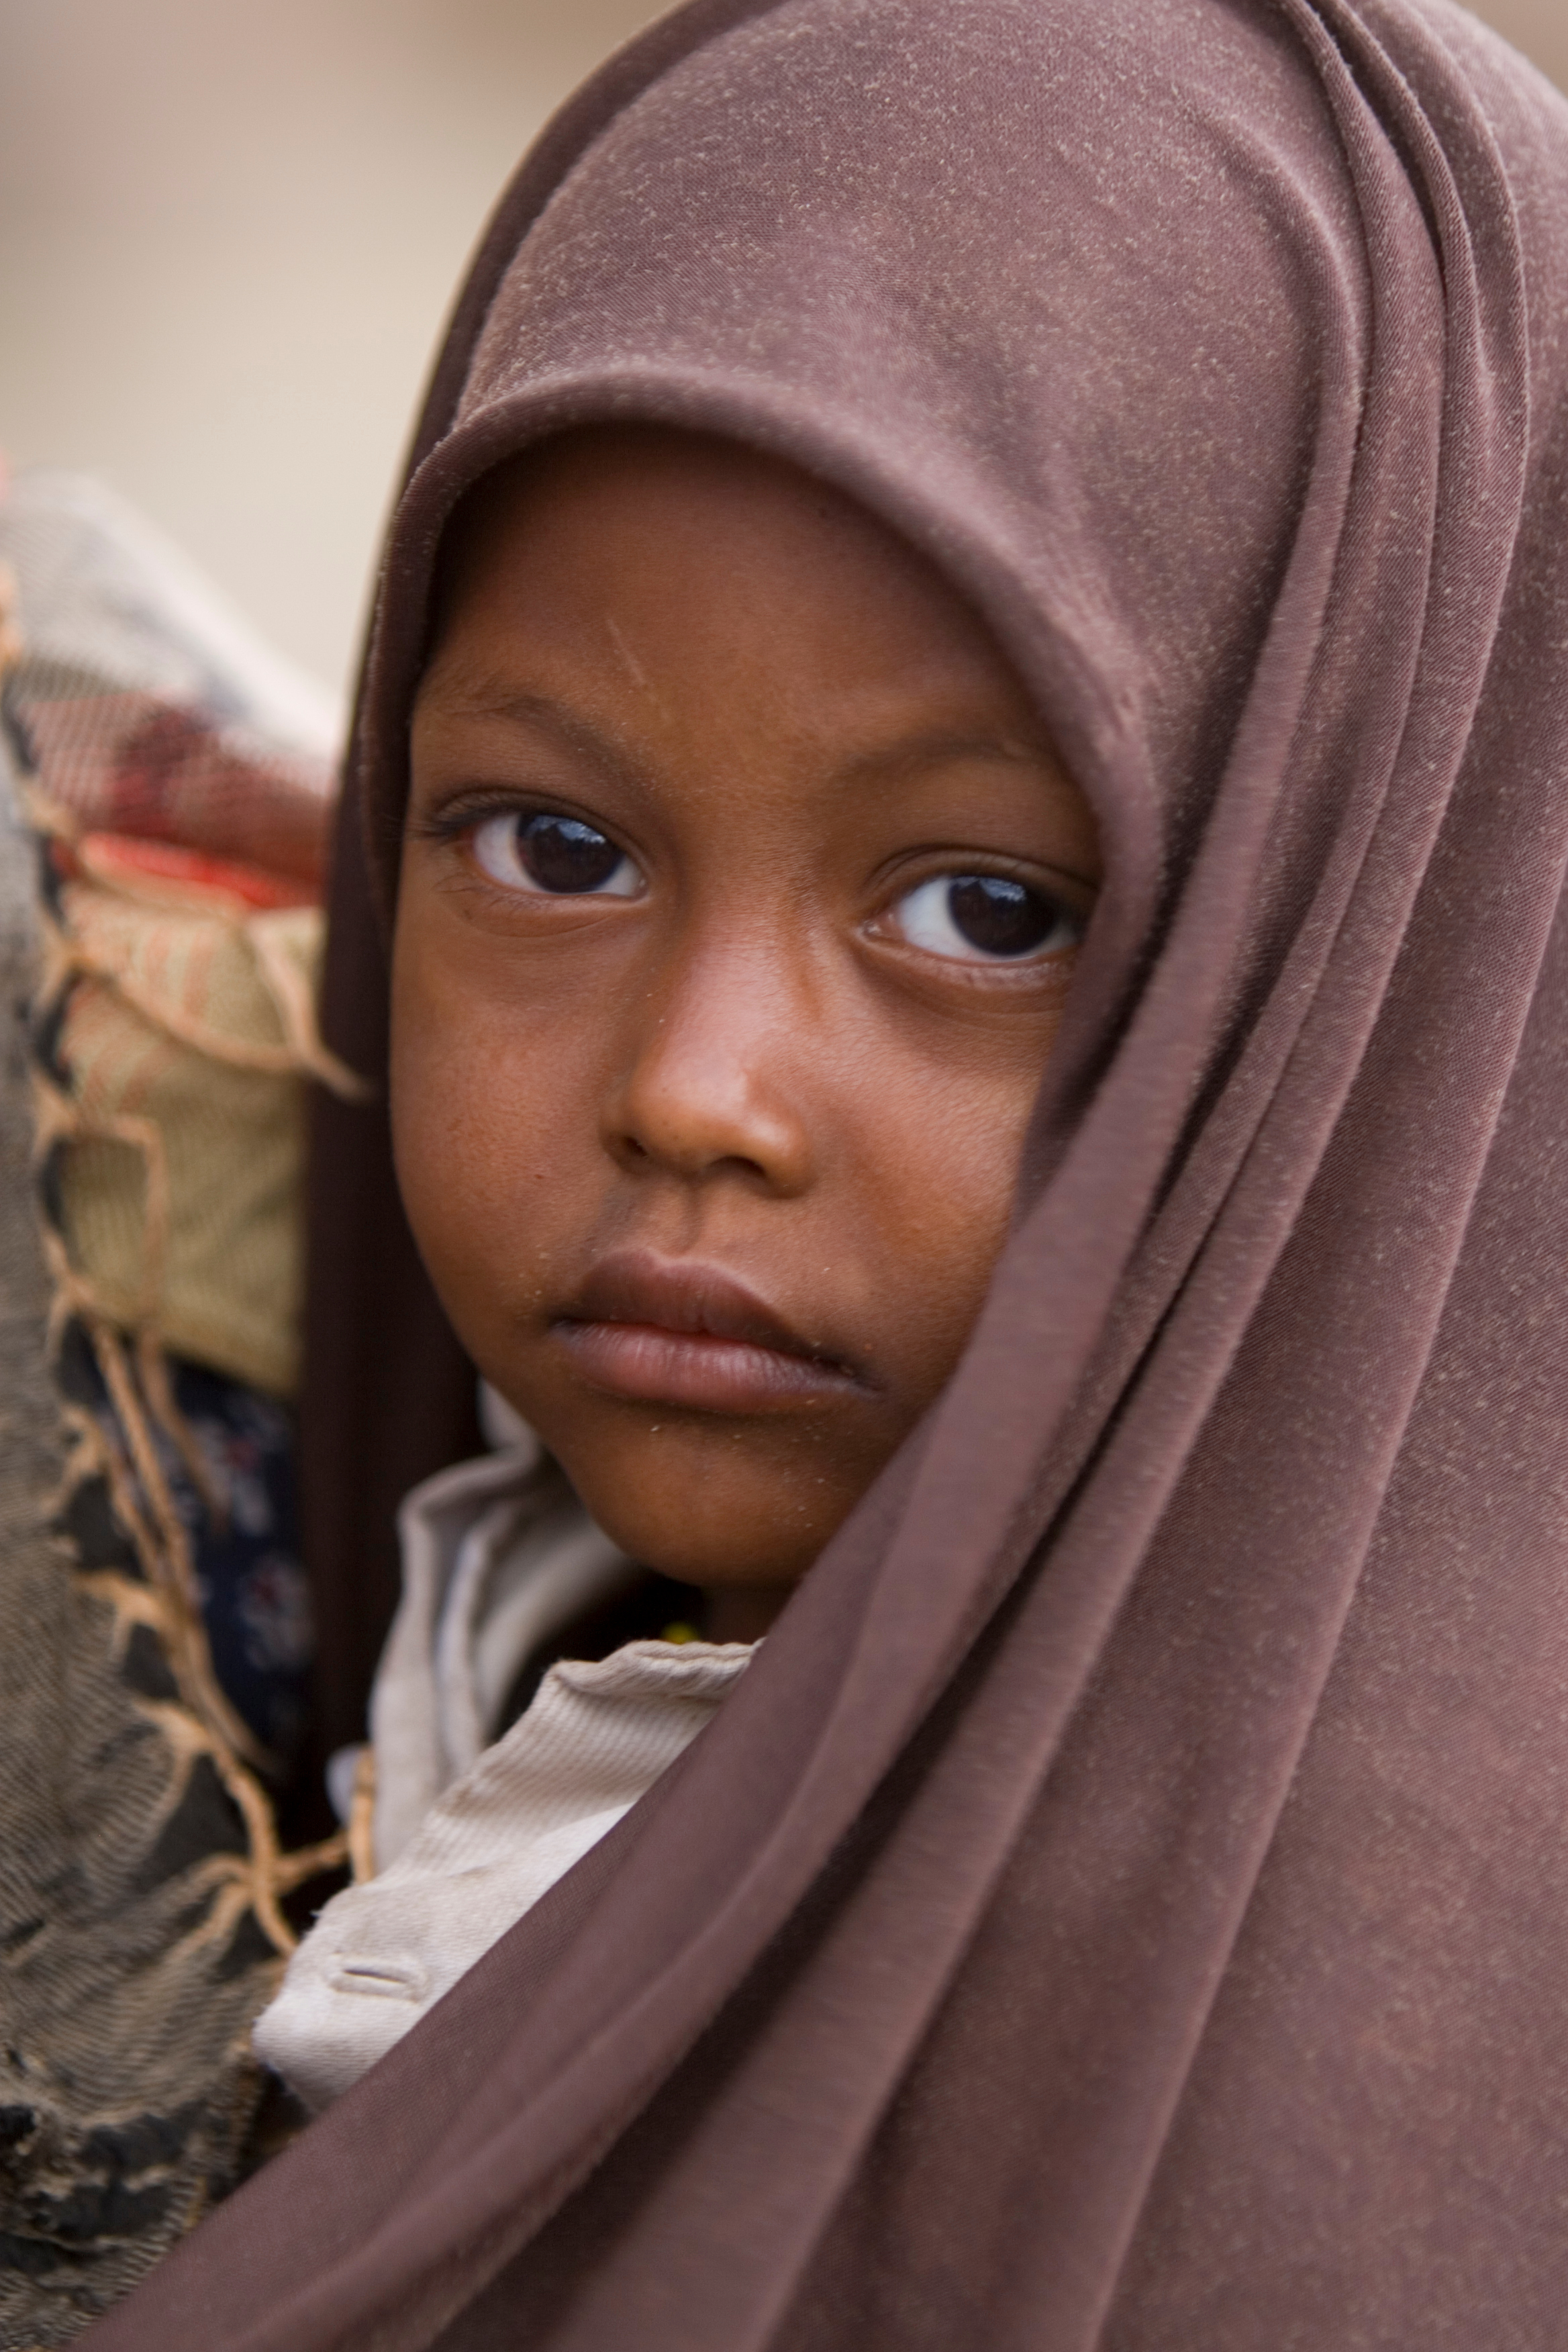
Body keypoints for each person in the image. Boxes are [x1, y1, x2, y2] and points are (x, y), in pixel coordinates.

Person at [80, 0, 1568, 2343]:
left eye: (991, 911)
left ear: (1378, 956)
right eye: (550, 848)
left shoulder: (1325, 2140)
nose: (700, 1091)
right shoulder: (451, 1632)